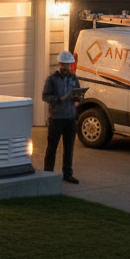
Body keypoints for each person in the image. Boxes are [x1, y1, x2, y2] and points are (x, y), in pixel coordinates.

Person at [42, 50, 82, 183]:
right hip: (56, 119)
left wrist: (78, 97)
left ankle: (68, 174)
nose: (65, 67)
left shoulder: (74, 78)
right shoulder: (51, 79)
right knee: (52, 147)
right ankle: (47, 174)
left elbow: (79, 95)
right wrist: (60, 99)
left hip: (70, 118)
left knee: (69, 148)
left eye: (68, 65)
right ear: (59, 64)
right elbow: (45, 96)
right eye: (63, 65)